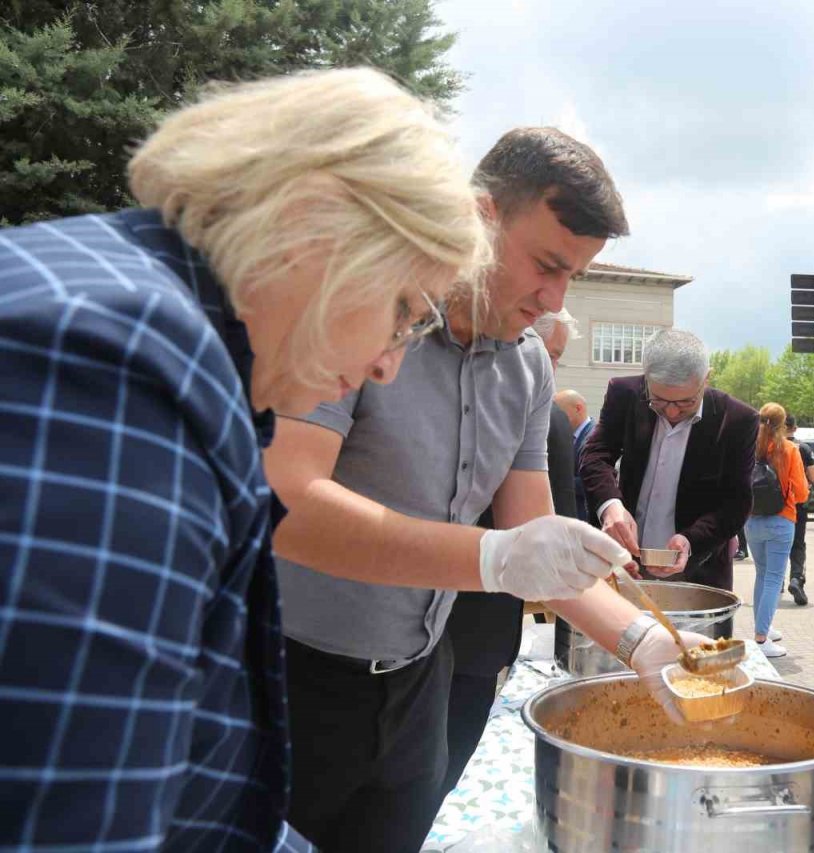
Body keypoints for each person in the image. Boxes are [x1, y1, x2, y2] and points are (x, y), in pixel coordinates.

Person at [0, 68, 492, 850]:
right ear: (313, 225)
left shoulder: (129, 309)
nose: (387, 365)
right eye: (403, 311)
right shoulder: (117, 365)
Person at [265, 128, 700, 853]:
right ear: (479, 215)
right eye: (546, 265)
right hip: (289, 680)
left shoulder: (528, 367)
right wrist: (493, 559)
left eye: (575, 276)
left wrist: (646, 640)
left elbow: (535, 542)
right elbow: (287, 500)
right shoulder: (365, 316)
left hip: (416, 690)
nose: (555, 298)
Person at [427, 309, 580, 825]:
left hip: (451, 634)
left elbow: (538, 525)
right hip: (423, 631)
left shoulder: (531, 370)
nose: (554, 294)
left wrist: (635, 637)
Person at [579, 328, 758, 590]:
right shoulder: (624, 393)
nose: (672, 411)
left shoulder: (737, 420)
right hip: (620, 564)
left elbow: (736, 503)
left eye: (686, 402)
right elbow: (595, 454)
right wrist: (610, 505)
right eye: (659, 401)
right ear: (646, 379)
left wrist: (691, 540)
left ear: (706, 379)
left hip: (696, 573)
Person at [745, 404, 810, 657]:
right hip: (781, 520)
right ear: (783, 425)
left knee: (761, 575)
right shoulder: (789, 449)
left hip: (751, 520)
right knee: (773, 578)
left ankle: (765, 626)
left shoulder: (751, 448)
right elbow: (802, 492)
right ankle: (761, 640)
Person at [785, 414, 814, 606]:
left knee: (776, 546)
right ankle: (796, 578)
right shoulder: (802, 448)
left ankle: (774, 583)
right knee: (797, 544)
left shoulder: (767, 446)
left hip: (772, 506)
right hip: (797, 504)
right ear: (795, 428)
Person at [553, 388, 594, 522]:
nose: (557, 419)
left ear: (578, 408)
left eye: (561, 414)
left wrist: (556, 481)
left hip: (583, 519)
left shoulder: (593, 438)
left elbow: (589, 482)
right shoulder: (569, 436)